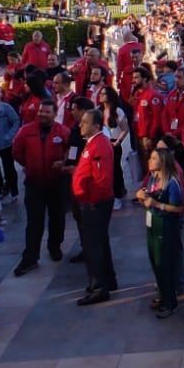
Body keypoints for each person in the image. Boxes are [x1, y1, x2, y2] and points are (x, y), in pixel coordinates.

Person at [12, 99, 72, 276]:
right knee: (34, 222)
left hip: (57, 182)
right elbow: (17, 152)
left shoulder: (63, 131)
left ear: (54, 114)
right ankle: (30, 257)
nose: (42, 115)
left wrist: (63, 163)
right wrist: (30, 165)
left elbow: (70, 151)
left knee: (57, 217)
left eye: (47, 112)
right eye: (41, 111)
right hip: (34, 182)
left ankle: (55, 246)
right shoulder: (26, 131)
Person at [72, 107, 118, 306]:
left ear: (96, 126)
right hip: (91, 202)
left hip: (95, 204)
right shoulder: (92, 143)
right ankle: (108, 279)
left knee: (93, 246)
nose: (81, 125)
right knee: (100, 242)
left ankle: (99, 287)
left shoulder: (99, 145)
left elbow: (102, 180)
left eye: (85, 122)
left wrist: (91, 201)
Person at [138, 146, 184, 318]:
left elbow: (178, 207)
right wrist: (143, 198)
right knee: (155, 262)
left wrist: (157, 204)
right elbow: (149, 201)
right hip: (152, 226)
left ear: (163, 162)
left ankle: (170, 301)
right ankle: (163, 295)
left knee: (164, 264)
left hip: (165, 227)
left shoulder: (171, 182)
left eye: (154, 158)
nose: (150, 160)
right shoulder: (152, 179)